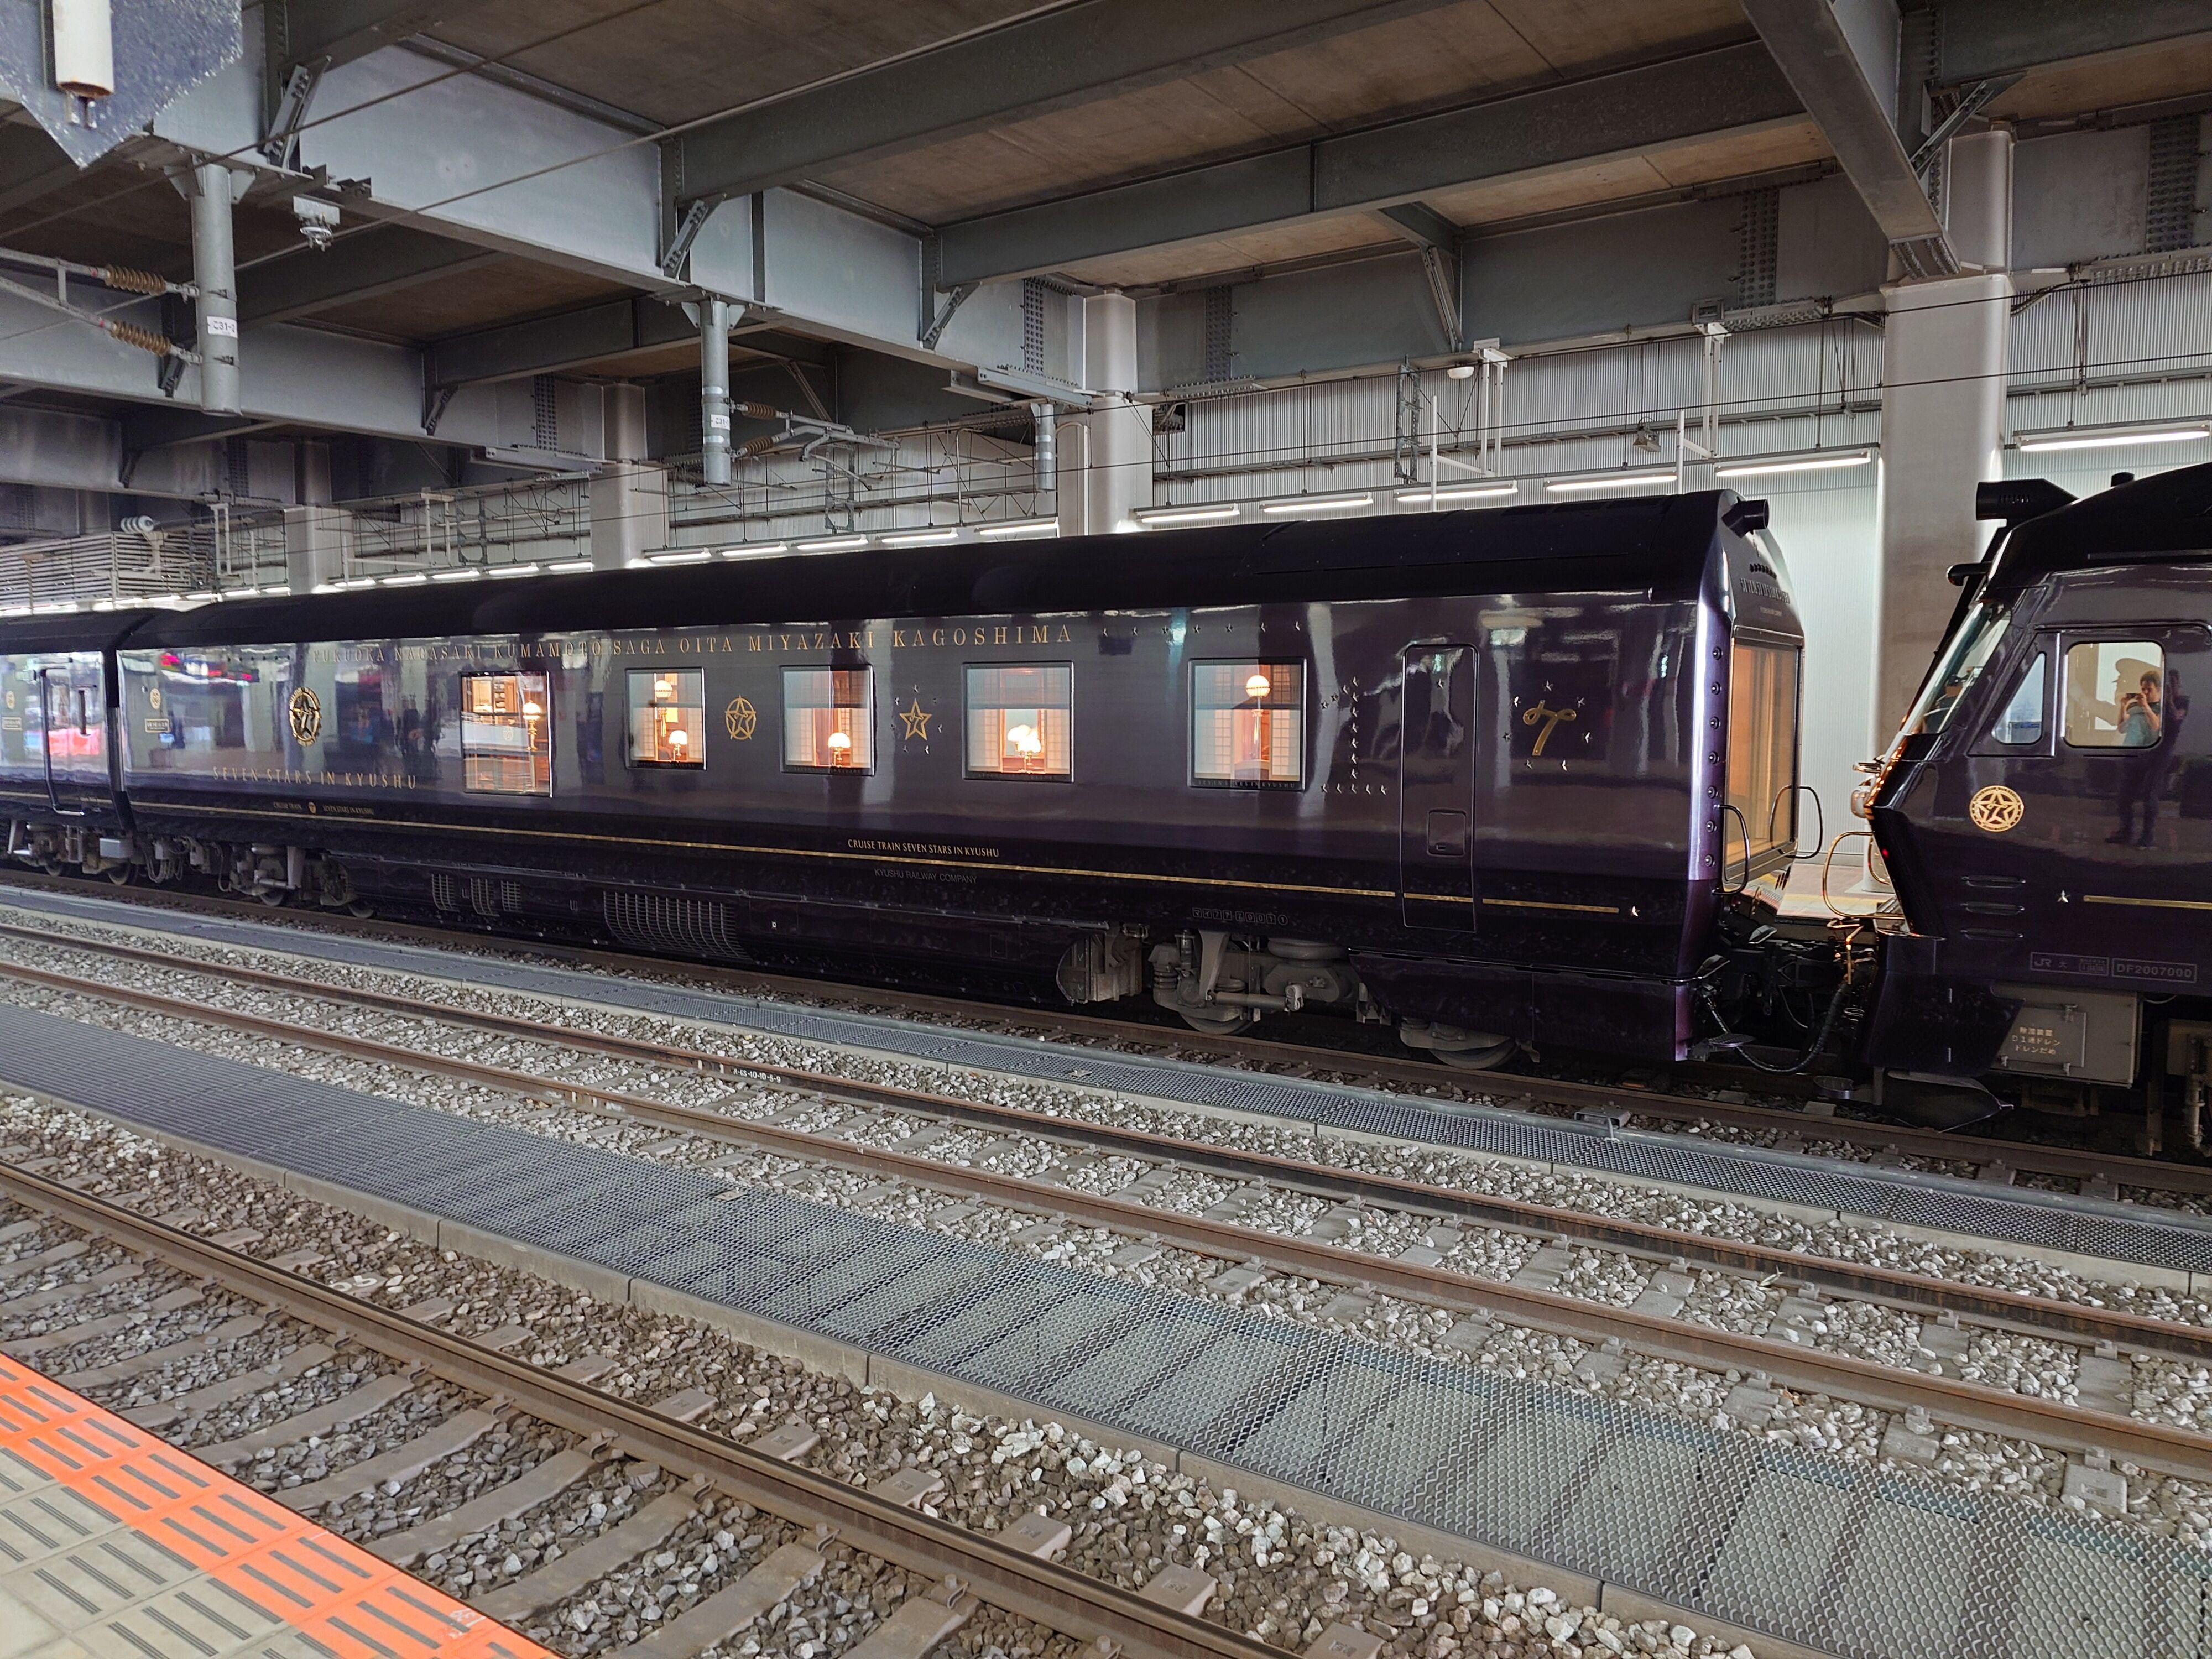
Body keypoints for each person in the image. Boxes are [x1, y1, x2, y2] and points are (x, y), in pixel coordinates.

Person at [2110, 670, 2166, 846]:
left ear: (2158, 689)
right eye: (2143, 689)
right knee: (2124, 798)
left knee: (2149, 799)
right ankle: (2125, 832)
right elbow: (2121, 728)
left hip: (2151, 757)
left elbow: (2156, 727)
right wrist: (2123, 706)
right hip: (2131, 756)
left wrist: (2146, 707)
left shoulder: (2161, 708)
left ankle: (2147, 837)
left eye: (2149, 689)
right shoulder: (2135, 709)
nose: (2145, 693)